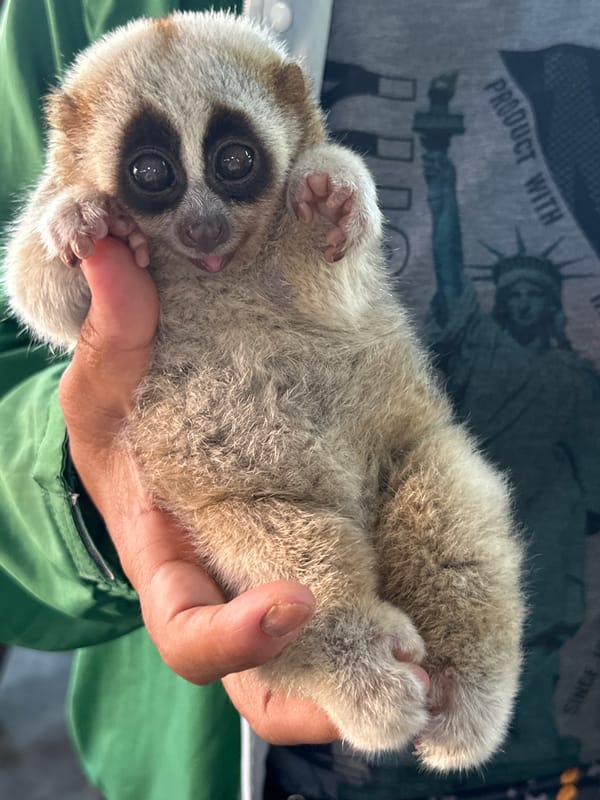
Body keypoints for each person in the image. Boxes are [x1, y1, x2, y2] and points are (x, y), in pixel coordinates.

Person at [0, 2, 598, 800]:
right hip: (241, 497)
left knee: (454, 514)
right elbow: (37, 312)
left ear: (290, 110)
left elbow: (329, 291)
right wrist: (70, 243)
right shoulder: (83, 173)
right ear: (81, 146)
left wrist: (333, 205)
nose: (203, 216)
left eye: (236, 163)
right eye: (154, 178)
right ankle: (345, 657)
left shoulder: (310, 186)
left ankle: (469, 678)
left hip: (395, 441)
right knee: (294, 564)